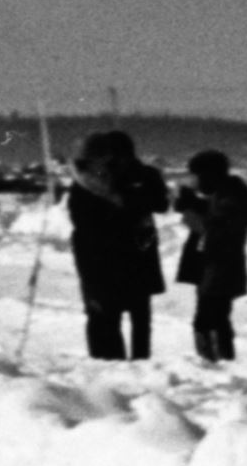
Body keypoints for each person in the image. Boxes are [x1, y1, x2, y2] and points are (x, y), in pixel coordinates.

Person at [64, 127, 170, 361]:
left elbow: (156, 203)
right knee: (121, 315)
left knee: (111, 314)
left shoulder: (94, 181)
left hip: (112, 256)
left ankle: (115, 361)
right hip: (114, 255)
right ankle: (125, 360)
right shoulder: (95, 182)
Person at [174, 149, 247, 364]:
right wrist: (193, 203)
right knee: (214, 318)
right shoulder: (225, 192)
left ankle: (217, 365)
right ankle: (218, 362)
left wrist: (190, 211)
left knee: (210, 319)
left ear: (210, 175)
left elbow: (215, 229)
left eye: (197, 176)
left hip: (222, 266)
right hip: (214, 265)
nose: (196, 181)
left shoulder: (232, 195)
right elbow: (213, 214)